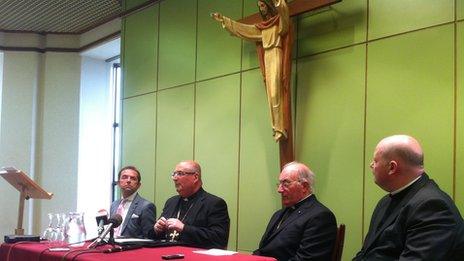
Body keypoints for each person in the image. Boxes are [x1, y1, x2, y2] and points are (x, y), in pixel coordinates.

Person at [354, 135, 464, 260]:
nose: (371, 165)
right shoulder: (386, 201)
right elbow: (365, 254)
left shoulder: (432, 207)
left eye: (375, 161)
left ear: (392, 167)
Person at [212, 0, 293, 141]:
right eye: (259, 6)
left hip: (276, 53)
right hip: (267, 56)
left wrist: (278, 2)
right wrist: (224, 20)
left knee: (275, 93)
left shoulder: (279, 23)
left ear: (269, 5)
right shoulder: (261, 29)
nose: (261, 9)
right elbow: (242, 30)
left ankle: (280, 127)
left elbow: (285, 15)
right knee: (270, 94)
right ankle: (276, 127)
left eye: (263, 5)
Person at [253, 161, 337, 260]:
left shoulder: (320, 216)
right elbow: (263, 250)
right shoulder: (279, 213)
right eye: (279, 184)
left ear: (304, 186)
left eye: (286, 183)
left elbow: (306, 259)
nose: (279, 190)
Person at [150, 160, 230, 249]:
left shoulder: (214, 203)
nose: (175, 178)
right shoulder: (171, 202)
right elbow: (155, 236)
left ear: (195, 177)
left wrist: (184, 228)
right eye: (174, 174)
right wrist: (157, 229)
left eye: (180, 174)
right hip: (167, 254)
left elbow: (219, 239)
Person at [110, 166, 156, 238]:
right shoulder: (114, 205)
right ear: (118, 183)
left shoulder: (146, 206)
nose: (128, 181)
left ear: (138, 185)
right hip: (112, 247)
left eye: (133, 178)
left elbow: (149, 237)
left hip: (132, 248)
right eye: (124, 177)